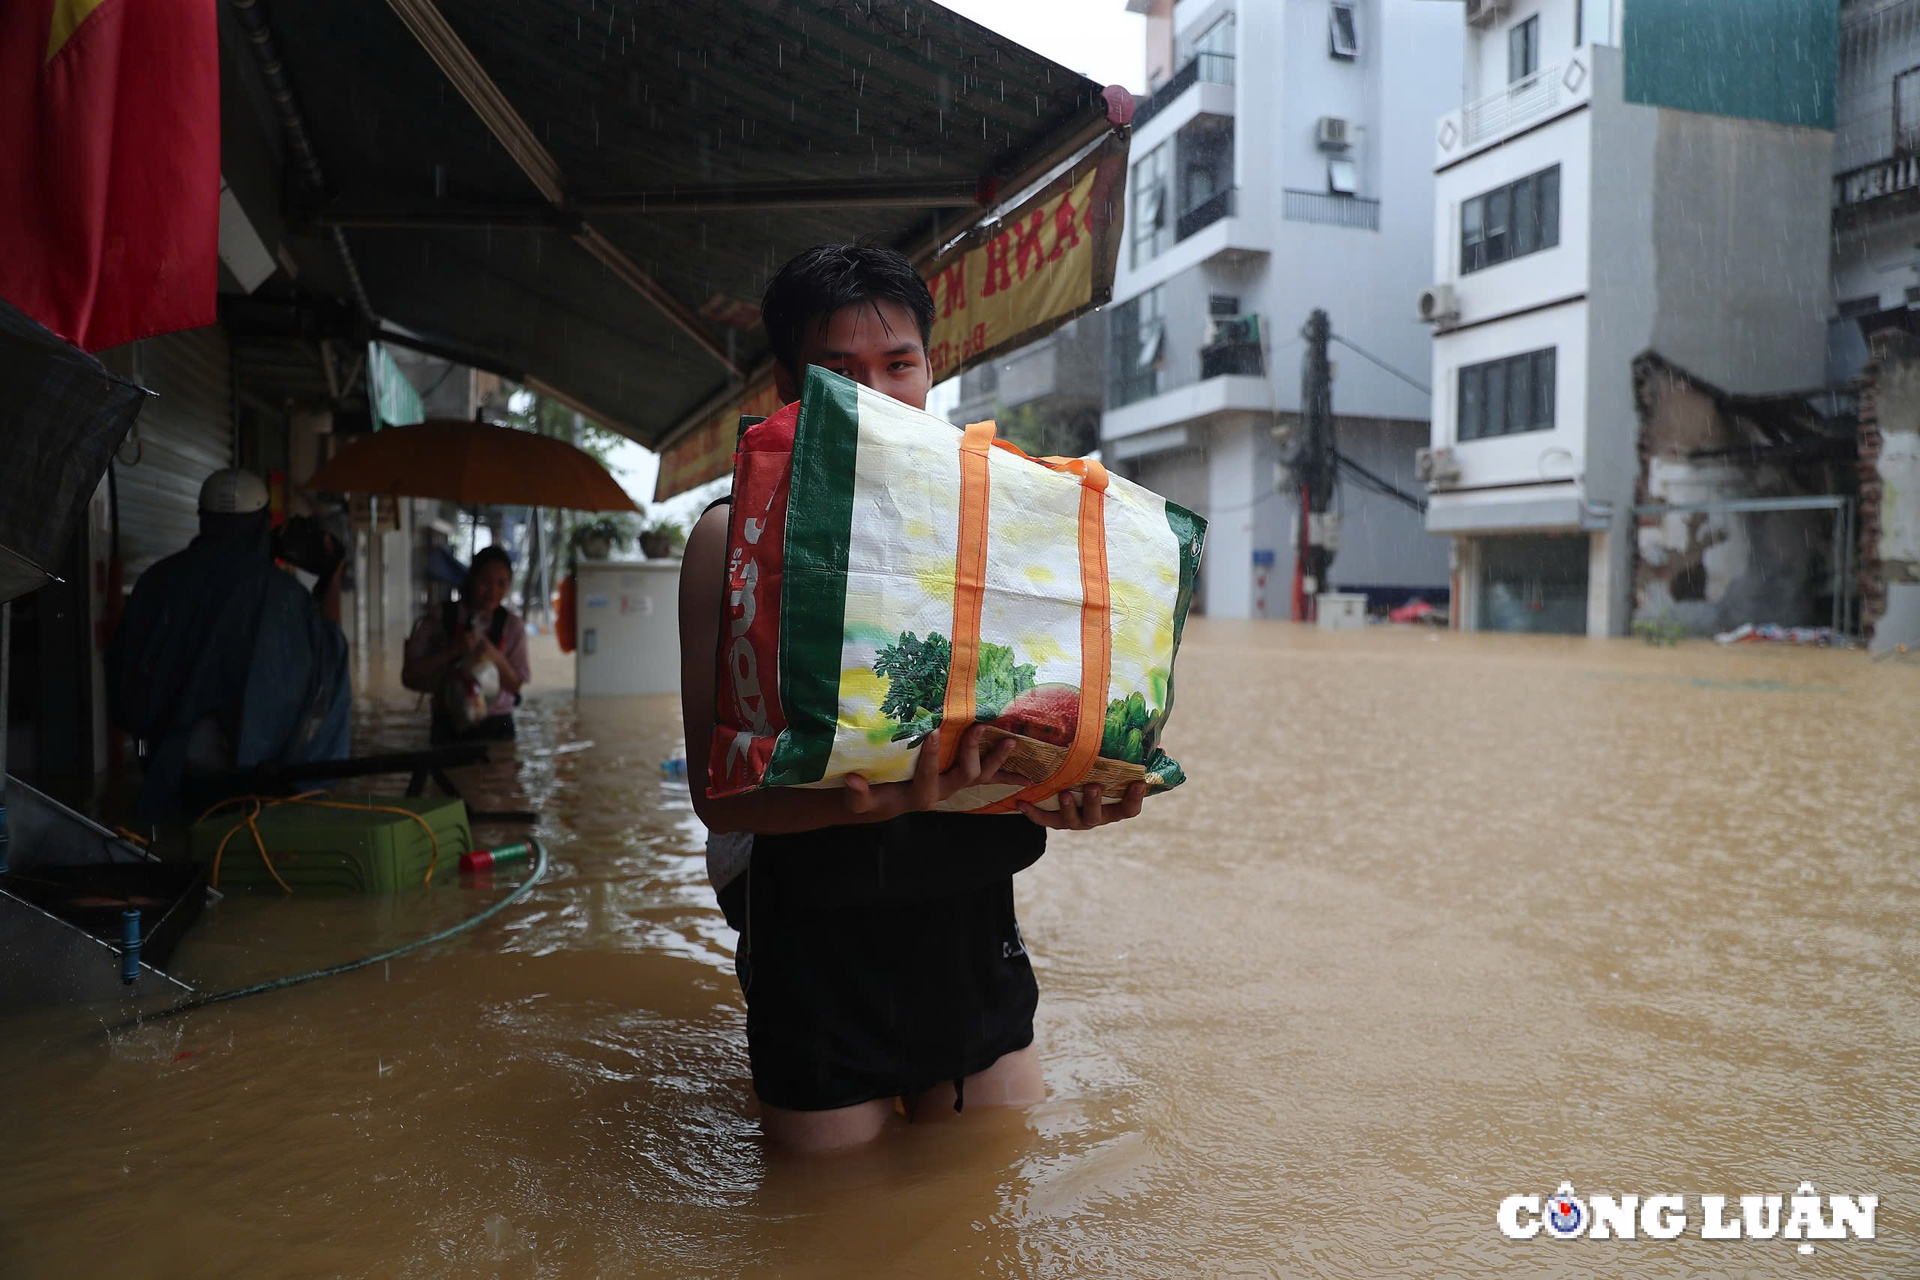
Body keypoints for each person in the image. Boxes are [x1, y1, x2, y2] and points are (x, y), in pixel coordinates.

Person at [678, 244, 1146, 1153]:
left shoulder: (1001, 528)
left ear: (933, 370)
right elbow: (718, 793)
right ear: (787, 385)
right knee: (826, 1226)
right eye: (838, 372)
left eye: (900, 365)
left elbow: (1019, 727)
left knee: (984, 1198)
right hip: (812, 944)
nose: (878, 394)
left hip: (970, 928)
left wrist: (1066, 793)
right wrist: (890, 800)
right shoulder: (730, 542)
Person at [108, 468, 351, 819]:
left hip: (169, 773)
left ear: (203, 518)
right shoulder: (285, 598)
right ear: (263, 522)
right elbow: (328, 675)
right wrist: (332, 576)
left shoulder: (155, 583)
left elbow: (124, 683)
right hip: (254, 782)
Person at [402, 544, 529, 742]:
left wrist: (494, 656)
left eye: (501, 583)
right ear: (472, 578)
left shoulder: (512, 626)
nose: (492, 591)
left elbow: (515, 686)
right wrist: (454, 650)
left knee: (498, 772)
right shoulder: (440, 617)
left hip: (497, 723)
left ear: (509, 585)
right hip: (448, 720)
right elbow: (409, 675)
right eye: (485, 581)